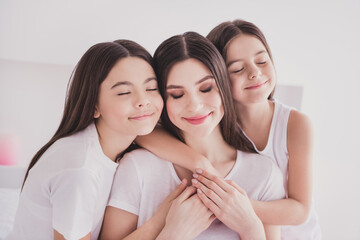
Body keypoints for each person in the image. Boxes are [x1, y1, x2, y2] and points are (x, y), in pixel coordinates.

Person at [137, 19, 321, 239]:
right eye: (238, 69)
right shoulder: (209, 119)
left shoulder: (294, 124)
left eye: (262, 61)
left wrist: (233, 205)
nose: (254, 73)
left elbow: (300, 210)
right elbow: (144, 133)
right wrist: (200, 163)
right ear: (221, 76)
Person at [101, 32, 285, 240]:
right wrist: (172, 234)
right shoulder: (138, 168)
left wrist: (251, 229)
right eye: (177, 94)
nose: (195, 105)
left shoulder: (264, 175)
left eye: (206, 88)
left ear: (223, 87)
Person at [5, 39, 178, 240]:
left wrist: (201, 164)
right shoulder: (80, 169)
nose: (143, 101)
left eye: (151, 88)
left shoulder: (112, 140)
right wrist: (162, 223)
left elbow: (151, 136)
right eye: (124, 92)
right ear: (94, 105)